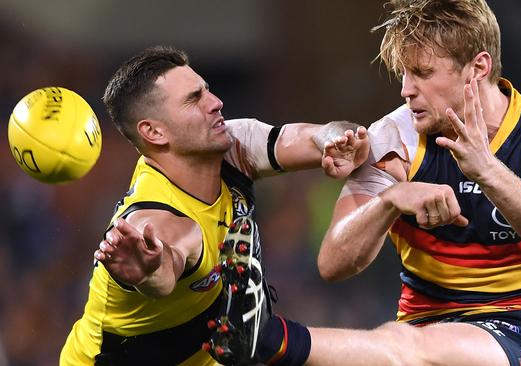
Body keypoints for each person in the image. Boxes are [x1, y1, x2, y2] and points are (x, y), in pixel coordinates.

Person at [207, 0, 521, 365]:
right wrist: (390, 200)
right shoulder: (394, 140)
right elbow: (333, 263)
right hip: (419, 326)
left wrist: (486, 170)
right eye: (404, 73)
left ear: (478, 68)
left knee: (402, 346)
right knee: (403, 346)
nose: (406, 90)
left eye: (424, 73)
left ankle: (272, 339)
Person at [59, 45, 369, 365]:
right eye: (194, 99)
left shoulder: (231, 148)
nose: (216, 103)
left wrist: (338, 140)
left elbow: (312, 136)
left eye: (206, 90)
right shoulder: (156, 217)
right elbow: (166, 266)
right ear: (154, 131)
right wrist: (151, 272)